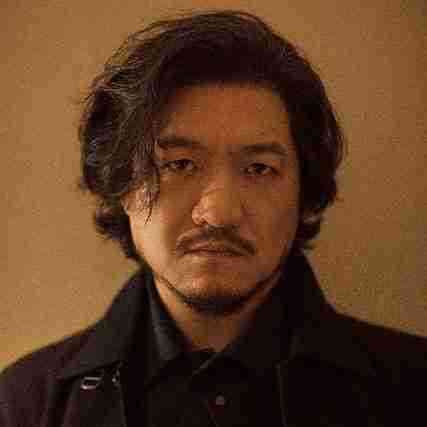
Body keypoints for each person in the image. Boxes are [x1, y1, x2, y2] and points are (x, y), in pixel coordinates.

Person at [1, 9, 425, 427]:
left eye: (259, 168)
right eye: (179, 164)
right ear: (122, 188)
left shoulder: (413, 392)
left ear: (305, 193)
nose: (219, 214)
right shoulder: (24, 406)